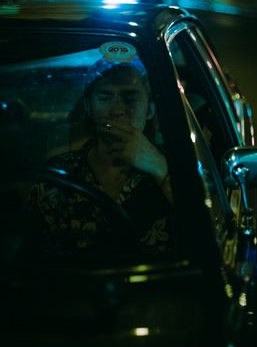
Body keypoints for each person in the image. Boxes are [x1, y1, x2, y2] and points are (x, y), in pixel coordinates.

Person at [28, 51, 175, 255]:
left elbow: (206, 229)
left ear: (150, 110)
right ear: (89, 107)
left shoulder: (177, 166)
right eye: (105, 98)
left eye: (130, 98)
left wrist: (158, 166)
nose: (116, 110)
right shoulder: (57, 174)